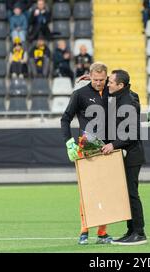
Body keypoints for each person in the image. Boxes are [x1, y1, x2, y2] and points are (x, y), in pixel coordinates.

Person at [60, 62, 113, 246]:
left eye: (102, 80)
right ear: (89, 76)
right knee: (87, 192)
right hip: (86, 149)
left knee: (106, 192)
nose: (99, 83)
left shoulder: (111, 92)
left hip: (107, 149)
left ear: (107, 78)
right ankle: (84, 230)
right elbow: (65, 119)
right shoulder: (80, 94)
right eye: (96, 79)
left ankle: (102, 233)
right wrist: (69, 143)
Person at [103, 70, 147, 246]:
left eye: (110, 82)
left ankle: (139, 232)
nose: (108, 85)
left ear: (120, 85)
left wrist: (113, 145)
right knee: (127, 195)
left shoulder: (127, 102)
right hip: (128, 154)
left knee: (132, 194)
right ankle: (131, 230)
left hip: (132, 154)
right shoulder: (125, 96)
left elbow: (133, 134)